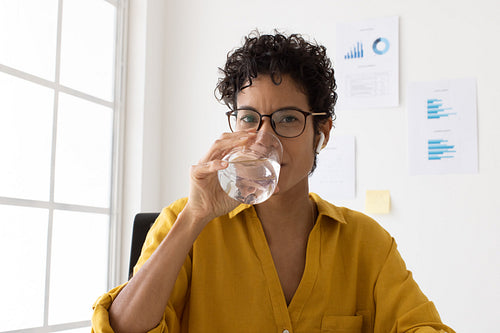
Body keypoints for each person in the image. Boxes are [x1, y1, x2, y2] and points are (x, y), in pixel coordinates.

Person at [91, 31, 455, 333]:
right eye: (250, 118)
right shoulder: (183, 222)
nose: (265, 139)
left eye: (287, 119)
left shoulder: (366, 242)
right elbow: (121, 329)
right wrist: (194, 217)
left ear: (321, 132)